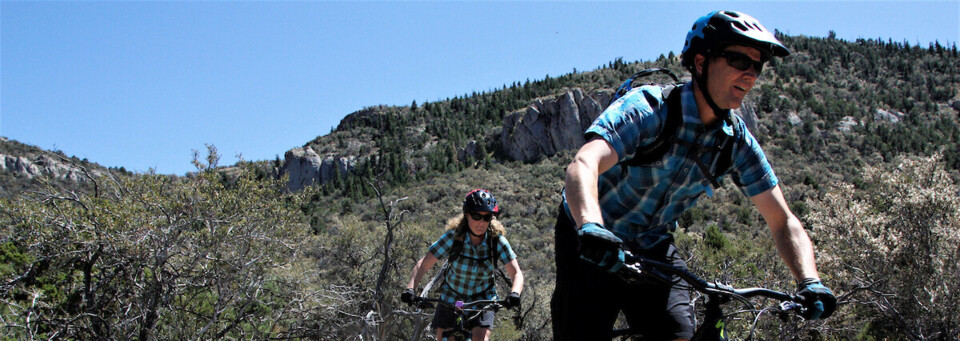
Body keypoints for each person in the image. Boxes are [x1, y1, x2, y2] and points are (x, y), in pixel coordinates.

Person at [550, 10, 837, 340]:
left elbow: (782, 220)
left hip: (652, 245)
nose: (750, 75)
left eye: (757, 66)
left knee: (679, 333)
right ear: (701, 62)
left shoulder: (735, 142)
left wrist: (809, 281)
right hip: (589, 238)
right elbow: (584, 164)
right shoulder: (649, 109)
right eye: (738, 60)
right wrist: (591, 227)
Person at [401, 189, 524, 341]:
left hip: (482, 299)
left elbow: (516, 273)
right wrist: (410, 288)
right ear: (467, 215)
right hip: (452, 296)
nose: (481, 222)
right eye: (476, 216)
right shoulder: (454, 237)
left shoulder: (496, 241)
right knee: (444, 337)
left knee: (480, 338)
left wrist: (514, 293)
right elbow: (424, 264)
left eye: (487, 217)